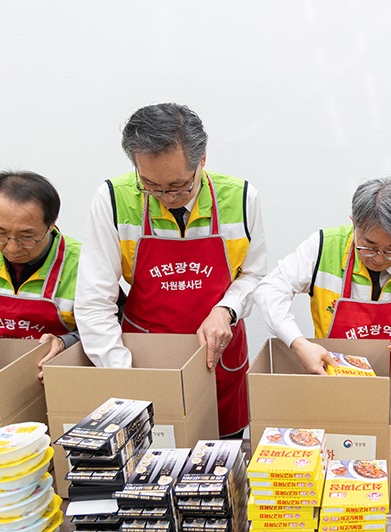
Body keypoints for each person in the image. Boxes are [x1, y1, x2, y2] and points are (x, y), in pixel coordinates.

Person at [74, 103, 267, 438]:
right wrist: (124, 373)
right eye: (150, 185)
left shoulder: (241, 197)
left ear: (202, 160)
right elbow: (94, 301)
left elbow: (254, 275)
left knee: (221, 464)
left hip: (217, 355)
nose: (166, 197)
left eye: (179, 186)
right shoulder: (113, 199)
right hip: (144, 356)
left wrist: (226, 310)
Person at [254, 176, 391, 438]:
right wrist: (298, 343)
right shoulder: (324, 247)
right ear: (354, 224)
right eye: (369, 247)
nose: (380, 259)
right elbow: (270, 289)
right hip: (335, 392)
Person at [0, 171, 81, 380]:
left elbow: (110, 328)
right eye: (0, 233)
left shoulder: (82, 264)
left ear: (51, 224)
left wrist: (65, 342)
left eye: (27, 237)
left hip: (48, 378)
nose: (12, 247)